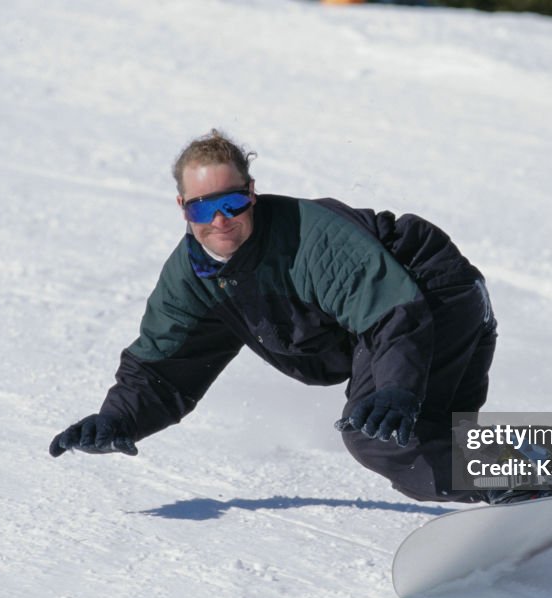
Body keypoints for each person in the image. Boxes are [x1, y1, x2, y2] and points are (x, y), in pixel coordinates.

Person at [49, 129, 498, 503]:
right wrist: (117, 419)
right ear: (183, 208)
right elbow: (163, 367)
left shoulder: (310, 240)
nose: (221, 220)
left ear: (252, 196)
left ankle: (533, 484)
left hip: (431, 299)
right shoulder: (194, 280)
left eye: (233, 203)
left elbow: (391, 313)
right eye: (204, 207)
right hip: (411, 317)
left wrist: (397, 389)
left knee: (381, 436)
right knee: (439, 441)